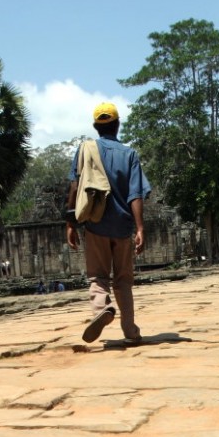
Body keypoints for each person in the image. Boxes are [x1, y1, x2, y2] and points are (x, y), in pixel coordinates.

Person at [66, 102, 151, 343]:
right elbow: (135, 194)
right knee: (123, 280)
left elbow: (74, 187)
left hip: (95, 224)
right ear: (117, 125)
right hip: (122, 227)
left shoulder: (85, 150)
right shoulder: (130, 155)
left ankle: (101, 309)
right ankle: (130, 331)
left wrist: (70, 224)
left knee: (98, 277)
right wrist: (140, 228)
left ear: (96, 127)